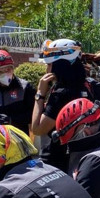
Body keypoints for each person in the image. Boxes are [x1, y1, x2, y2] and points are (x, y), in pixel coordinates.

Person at [31, 39, 87, 174]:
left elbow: (37, 128)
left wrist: (40, 93)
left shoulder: (62, 94)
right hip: (77, 158)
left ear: (60, 65)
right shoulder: (85, 86)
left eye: (50, 65)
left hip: (57, 161)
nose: (46, 69)